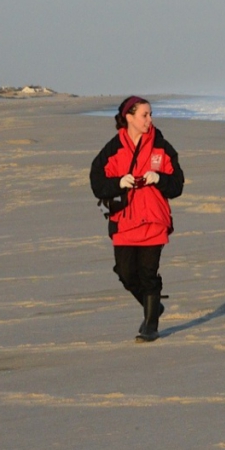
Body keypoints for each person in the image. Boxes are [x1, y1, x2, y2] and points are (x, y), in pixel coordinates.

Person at [90, 96, 185, 342]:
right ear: (129, 117)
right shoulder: (113, 148)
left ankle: (151, 324)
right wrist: (118, 183)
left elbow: (177, 185)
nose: (150, 119)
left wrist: (159, 179)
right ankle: (152, 305)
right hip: (124, 221)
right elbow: (97, 182)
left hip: (154, 220)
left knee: (148, 272)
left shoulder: (161, 146)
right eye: (145, 114)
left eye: (150, 114)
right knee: (125, 272)